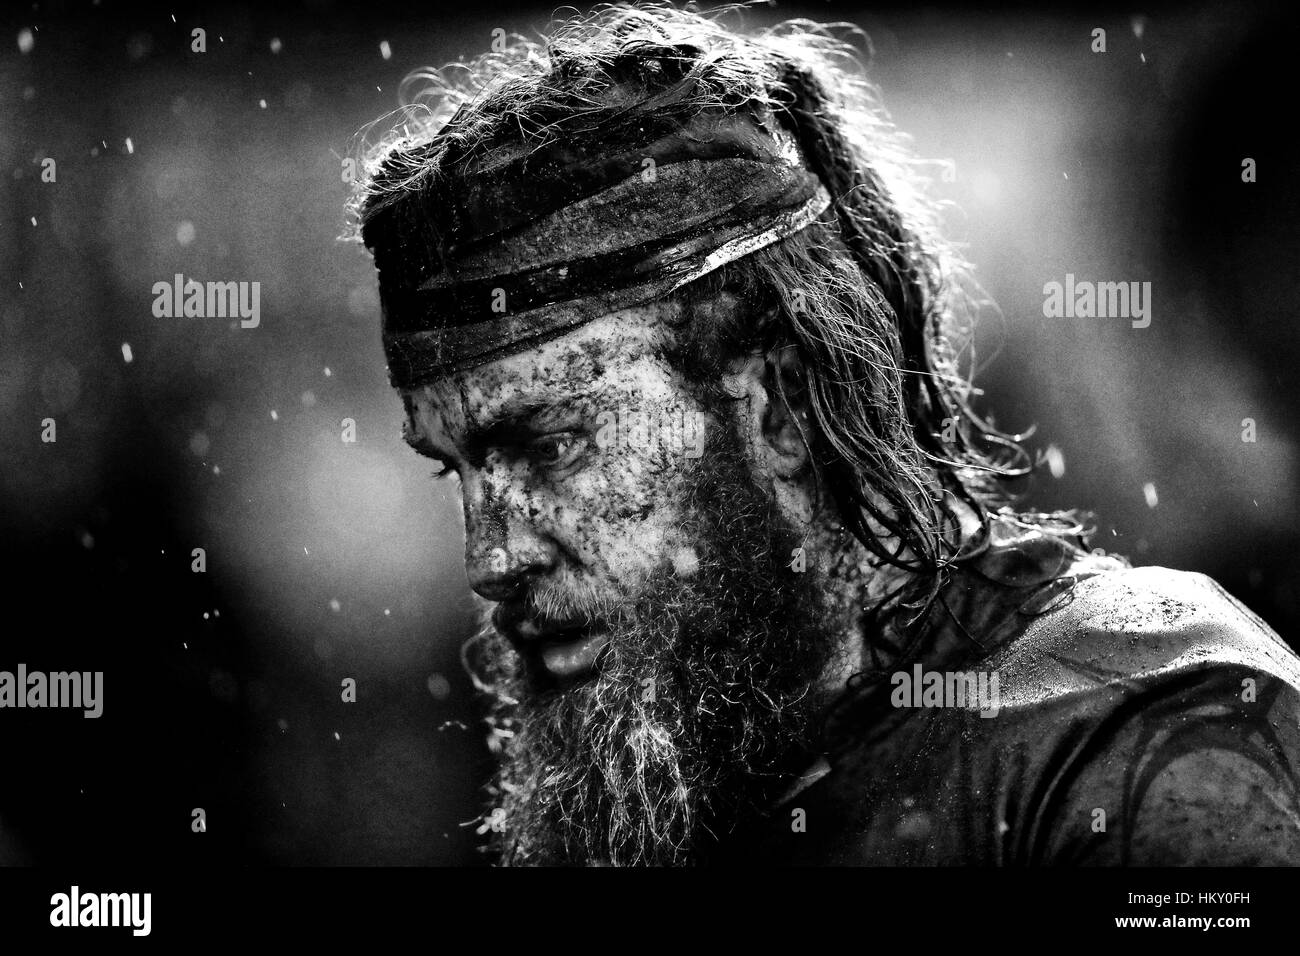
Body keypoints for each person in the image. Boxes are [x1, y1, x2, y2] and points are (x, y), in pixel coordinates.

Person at [350, 3, 1300, 865]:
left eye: (552, 445)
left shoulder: (1133, 744)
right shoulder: (682, 778)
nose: (491, 555)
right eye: (457, 470)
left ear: (777, 407)